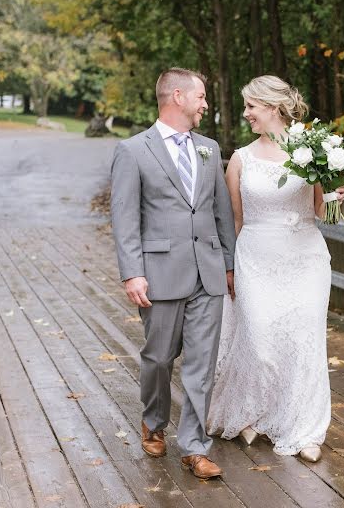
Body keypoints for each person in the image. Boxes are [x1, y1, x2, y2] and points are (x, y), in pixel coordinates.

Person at [207, 75, 344, 462]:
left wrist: (337, 192)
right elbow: (234, 220)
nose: (246, 113)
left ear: (272, 107)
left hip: (306, 259)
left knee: (305, 343)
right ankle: (253, 412)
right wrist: (229, 268)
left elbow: (323, 212)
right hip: (255, 258)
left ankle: (306, 431)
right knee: (262, 341)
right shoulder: (241, 159)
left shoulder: (313, 153)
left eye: (251, 106)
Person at [110, 67, 236, 479]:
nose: (205, 104)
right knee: (159, 358)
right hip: (159, 271)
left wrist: (230, 266)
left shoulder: (209, 148)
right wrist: (132, 273)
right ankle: (153, 420)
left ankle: (195, 448)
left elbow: (221, 212)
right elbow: (125, 216)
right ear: (177, 97)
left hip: (209, 273)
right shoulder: (133, 150)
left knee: (202, 362)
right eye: (200, 96)